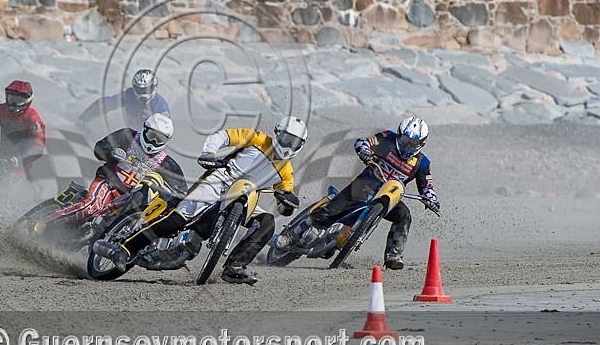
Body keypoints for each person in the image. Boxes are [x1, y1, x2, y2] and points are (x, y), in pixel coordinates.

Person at [95, 116, 308, 285]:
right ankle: (124, 248)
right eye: (287, 139)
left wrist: (287, 203)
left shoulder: (286, 172)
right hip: (219, 181)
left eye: (295, 143)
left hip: (247, 196)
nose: (289, 146)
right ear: (277, 134)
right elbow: (222, 137)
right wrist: (209, 152)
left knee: (268, 222)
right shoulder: (258, 139)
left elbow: (283, 204)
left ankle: (235, 267)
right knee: (176, 220)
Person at [274, 116, 440, 270]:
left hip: (390, 197)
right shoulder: (387, 138)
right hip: (366, 184)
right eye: (405, 140)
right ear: (399, 135)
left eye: (413, 142)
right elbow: (364, 142)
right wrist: (365, 152)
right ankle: (291, 236)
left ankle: (394, 255)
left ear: (422, 143)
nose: (407, 146)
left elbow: (427, 186)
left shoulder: (422, 163)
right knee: (329, 211)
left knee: (404, 215)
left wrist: (431, 199)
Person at [44, 113, 186, 227]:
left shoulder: (167, 164)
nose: (154, 142)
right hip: (108, 182)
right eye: (152, 136)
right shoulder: (127, 135)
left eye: (159, 139)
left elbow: (182, 191)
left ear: (166, 141)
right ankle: (45, 223)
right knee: (90, 207)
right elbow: (100, 147)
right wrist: (111, 153)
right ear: (145, 130)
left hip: (130, 201)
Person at [78, 69, 170, 135]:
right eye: (139, 89)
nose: (143, 93)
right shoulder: (129, 95)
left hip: (151, 142)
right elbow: (107, 103)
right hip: (131, 136)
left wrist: (153, 119)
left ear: (154, 87)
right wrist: (85, 117)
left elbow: (166, 133)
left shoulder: (161, 106)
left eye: (146, 89)